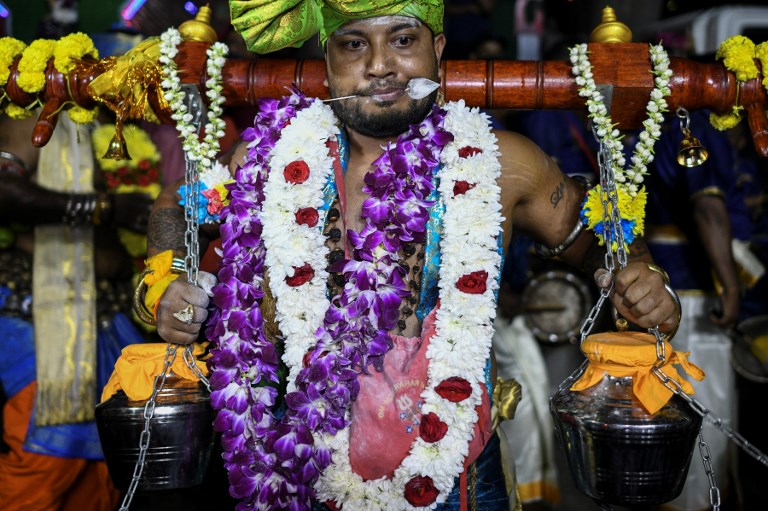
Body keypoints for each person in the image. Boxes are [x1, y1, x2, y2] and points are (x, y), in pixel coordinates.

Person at [144, 2, 681, 509]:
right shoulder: (271, 161)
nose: (380, 66)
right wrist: (165, 282)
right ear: (326, 61)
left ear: (437, 49)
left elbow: (600, 227)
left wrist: (640, 273)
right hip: (302, 471)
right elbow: (177, 202)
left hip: (460, 477)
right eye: (354, 45)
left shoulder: (500, 165)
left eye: (402, 40)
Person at [0, 112, 153, 510]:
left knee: (102, 474)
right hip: (42, 315)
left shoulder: (105, 122)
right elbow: (3, 191)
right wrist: (105, 208)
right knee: (48, 457)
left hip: (107, 315)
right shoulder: (29, 118)